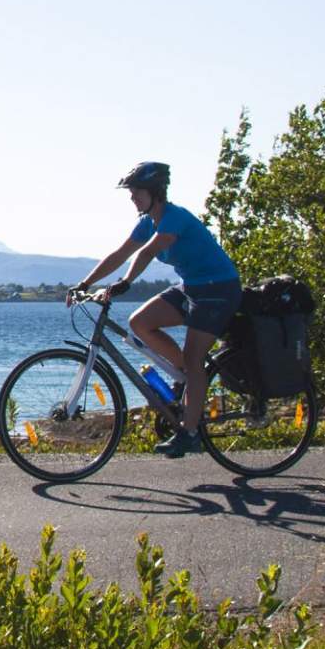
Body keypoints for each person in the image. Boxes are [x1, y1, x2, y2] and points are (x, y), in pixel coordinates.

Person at [70, 161, 242, 458]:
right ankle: (186, 376)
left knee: (194, 356)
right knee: (140, 322)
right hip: (191, 286)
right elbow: (121, 253)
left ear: (153, 192)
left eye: (136, 191)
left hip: (218, 289)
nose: (132, 198)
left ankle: (189, 433)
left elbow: (148, 251)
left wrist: (124, 283)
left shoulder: (174, 218)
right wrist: (84, 283)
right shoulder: (148, 221)